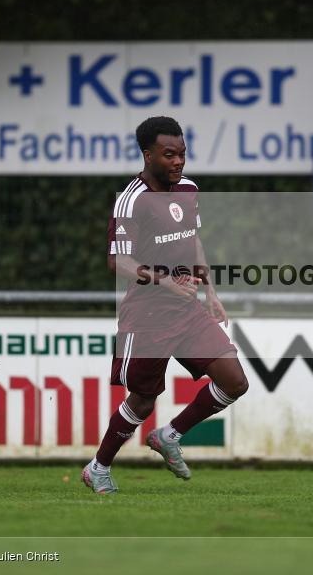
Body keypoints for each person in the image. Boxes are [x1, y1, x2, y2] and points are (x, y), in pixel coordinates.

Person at [81, 116, 248, 494]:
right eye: (169, 155)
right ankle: (98, 467)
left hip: (187, 310)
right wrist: (167, 282)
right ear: (148, 154)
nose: (178, 162)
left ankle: (170, 435)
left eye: (183, 154)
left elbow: (193, 239)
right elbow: (118, 262)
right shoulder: (131, 200)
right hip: (147, 316)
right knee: (142, 400)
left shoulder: (188, 189)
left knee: (235, 381)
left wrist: (210, 290)